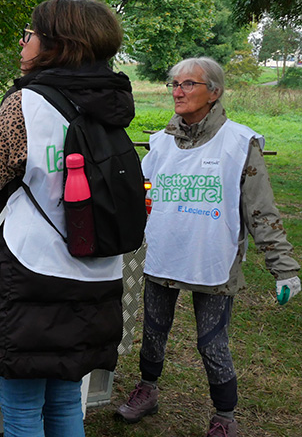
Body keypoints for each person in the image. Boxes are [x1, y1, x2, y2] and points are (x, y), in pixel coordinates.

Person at [0, 0, 131, 436]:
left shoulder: (28, 104)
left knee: (21, 413)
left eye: (31, 33)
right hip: (96, 278)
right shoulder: (112, 108)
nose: (25, 41)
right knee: (63, 402)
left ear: (57, 44)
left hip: (30, 277)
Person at [115, 57, 300, 437]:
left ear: (213, 92)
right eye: (174, 84)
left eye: (188, 84)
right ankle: (147, 390)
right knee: (153, 330)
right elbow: (138, 193)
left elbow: (260, 210)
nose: (177, 92)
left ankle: (225, 417)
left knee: (211, 341)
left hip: (212, 259)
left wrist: (284, 267)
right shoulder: (161, 142)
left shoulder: (239, 143)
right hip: (164, 253)